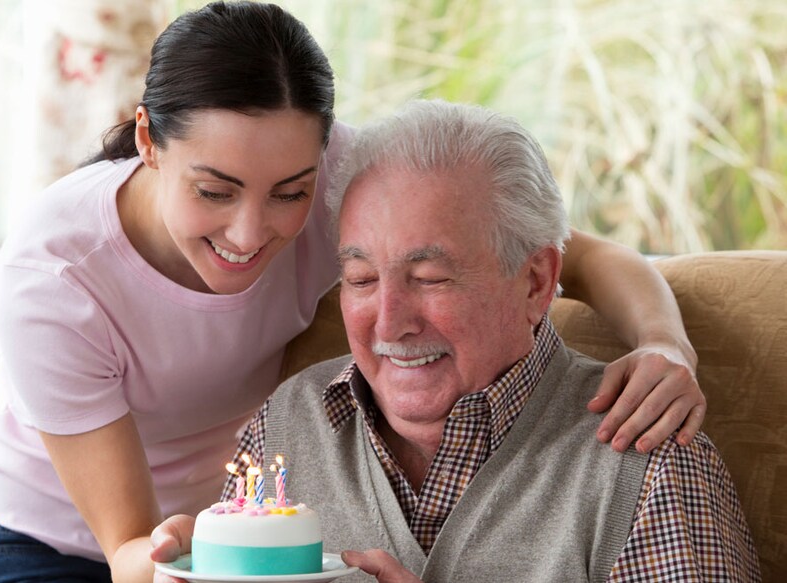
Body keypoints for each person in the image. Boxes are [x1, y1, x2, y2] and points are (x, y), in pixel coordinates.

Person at [0, 3, 707, 582]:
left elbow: (580, 255)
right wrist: (183, 556)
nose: (251, 233)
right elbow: (130, 544)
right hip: (55, 533)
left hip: (232, 518)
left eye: (289, 191)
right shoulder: (54, 274)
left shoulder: (347, 180)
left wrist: (663, 344)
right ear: (148, 140)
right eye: (214, 190)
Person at [150, 99, 759, 582]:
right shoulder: (287, 424)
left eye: (430, 278)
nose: (388, 324)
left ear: (536, 281)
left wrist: (666, 340)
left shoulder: (645, 457)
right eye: (360, 278)